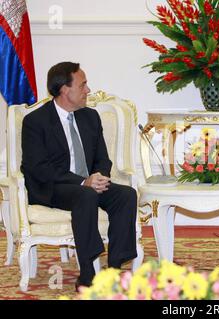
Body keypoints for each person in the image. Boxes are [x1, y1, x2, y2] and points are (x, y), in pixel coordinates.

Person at [21, 62, 138, 291]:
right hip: (54, 187)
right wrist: (83, 182)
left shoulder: (90, 117)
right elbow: (38, 168)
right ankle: (87, 274)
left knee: (126, 195)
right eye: (83, 84)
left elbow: (103, 159)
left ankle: (114, 268)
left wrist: (100, 176)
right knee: (85, 195)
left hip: (88, 184)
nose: (88, 90)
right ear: (65, 90)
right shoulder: (35, 122)